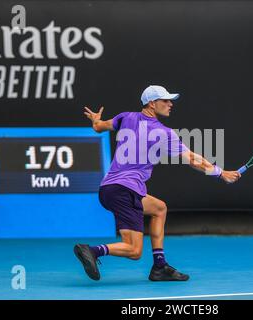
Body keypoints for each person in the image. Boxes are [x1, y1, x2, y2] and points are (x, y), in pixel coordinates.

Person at [74, 85, 241, 281]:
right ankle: (93, 251)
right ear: (152, 104)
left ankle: (159, 266)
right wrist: (221, 173)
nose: (170, 104)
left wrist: (95, 120)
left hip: (108, 189)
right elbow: (193, 160)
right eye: (166, 100)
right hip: (126, 191)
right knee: (134, 250)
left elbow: (99, 127)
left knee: (159, 208)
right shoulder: (164, 133)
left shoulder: (125, 117)